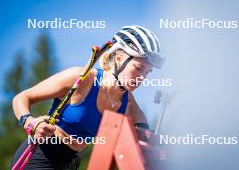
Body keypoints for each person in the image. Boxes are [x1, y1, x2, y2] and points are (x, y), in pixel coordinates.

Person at [11, 25, 165, 169]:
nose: (142, 77)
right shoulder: (82, 78)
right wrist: (30, 123)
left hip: (70, 162)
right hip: (40, 154)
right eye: (139, 68)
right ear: (119, 58)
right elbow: (22, 97)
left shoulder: (129, 102)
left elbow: (146, 141)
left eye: (147, 72)